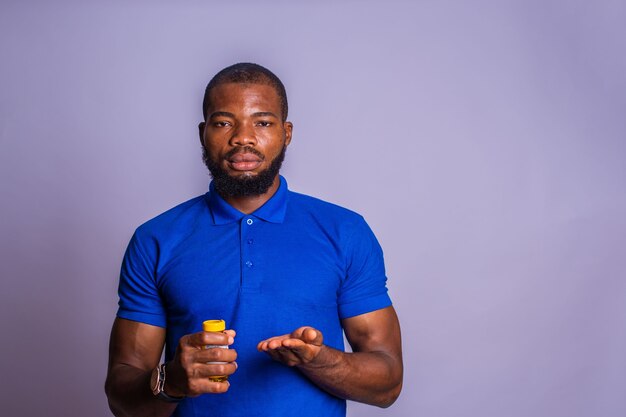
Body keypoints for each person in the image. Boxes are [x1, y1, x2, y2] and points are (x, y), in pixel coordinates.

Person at [105, 63, 403, 417]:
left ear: (286, 133)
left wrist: (321, 361)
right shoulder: (155, 239)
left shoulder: (345, 231)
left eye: (262, 122)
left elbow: (388, 384)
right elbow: (121, 399)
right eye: (224, 122)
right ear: (203, 132)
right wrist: (171, 382)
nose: (242, 138)